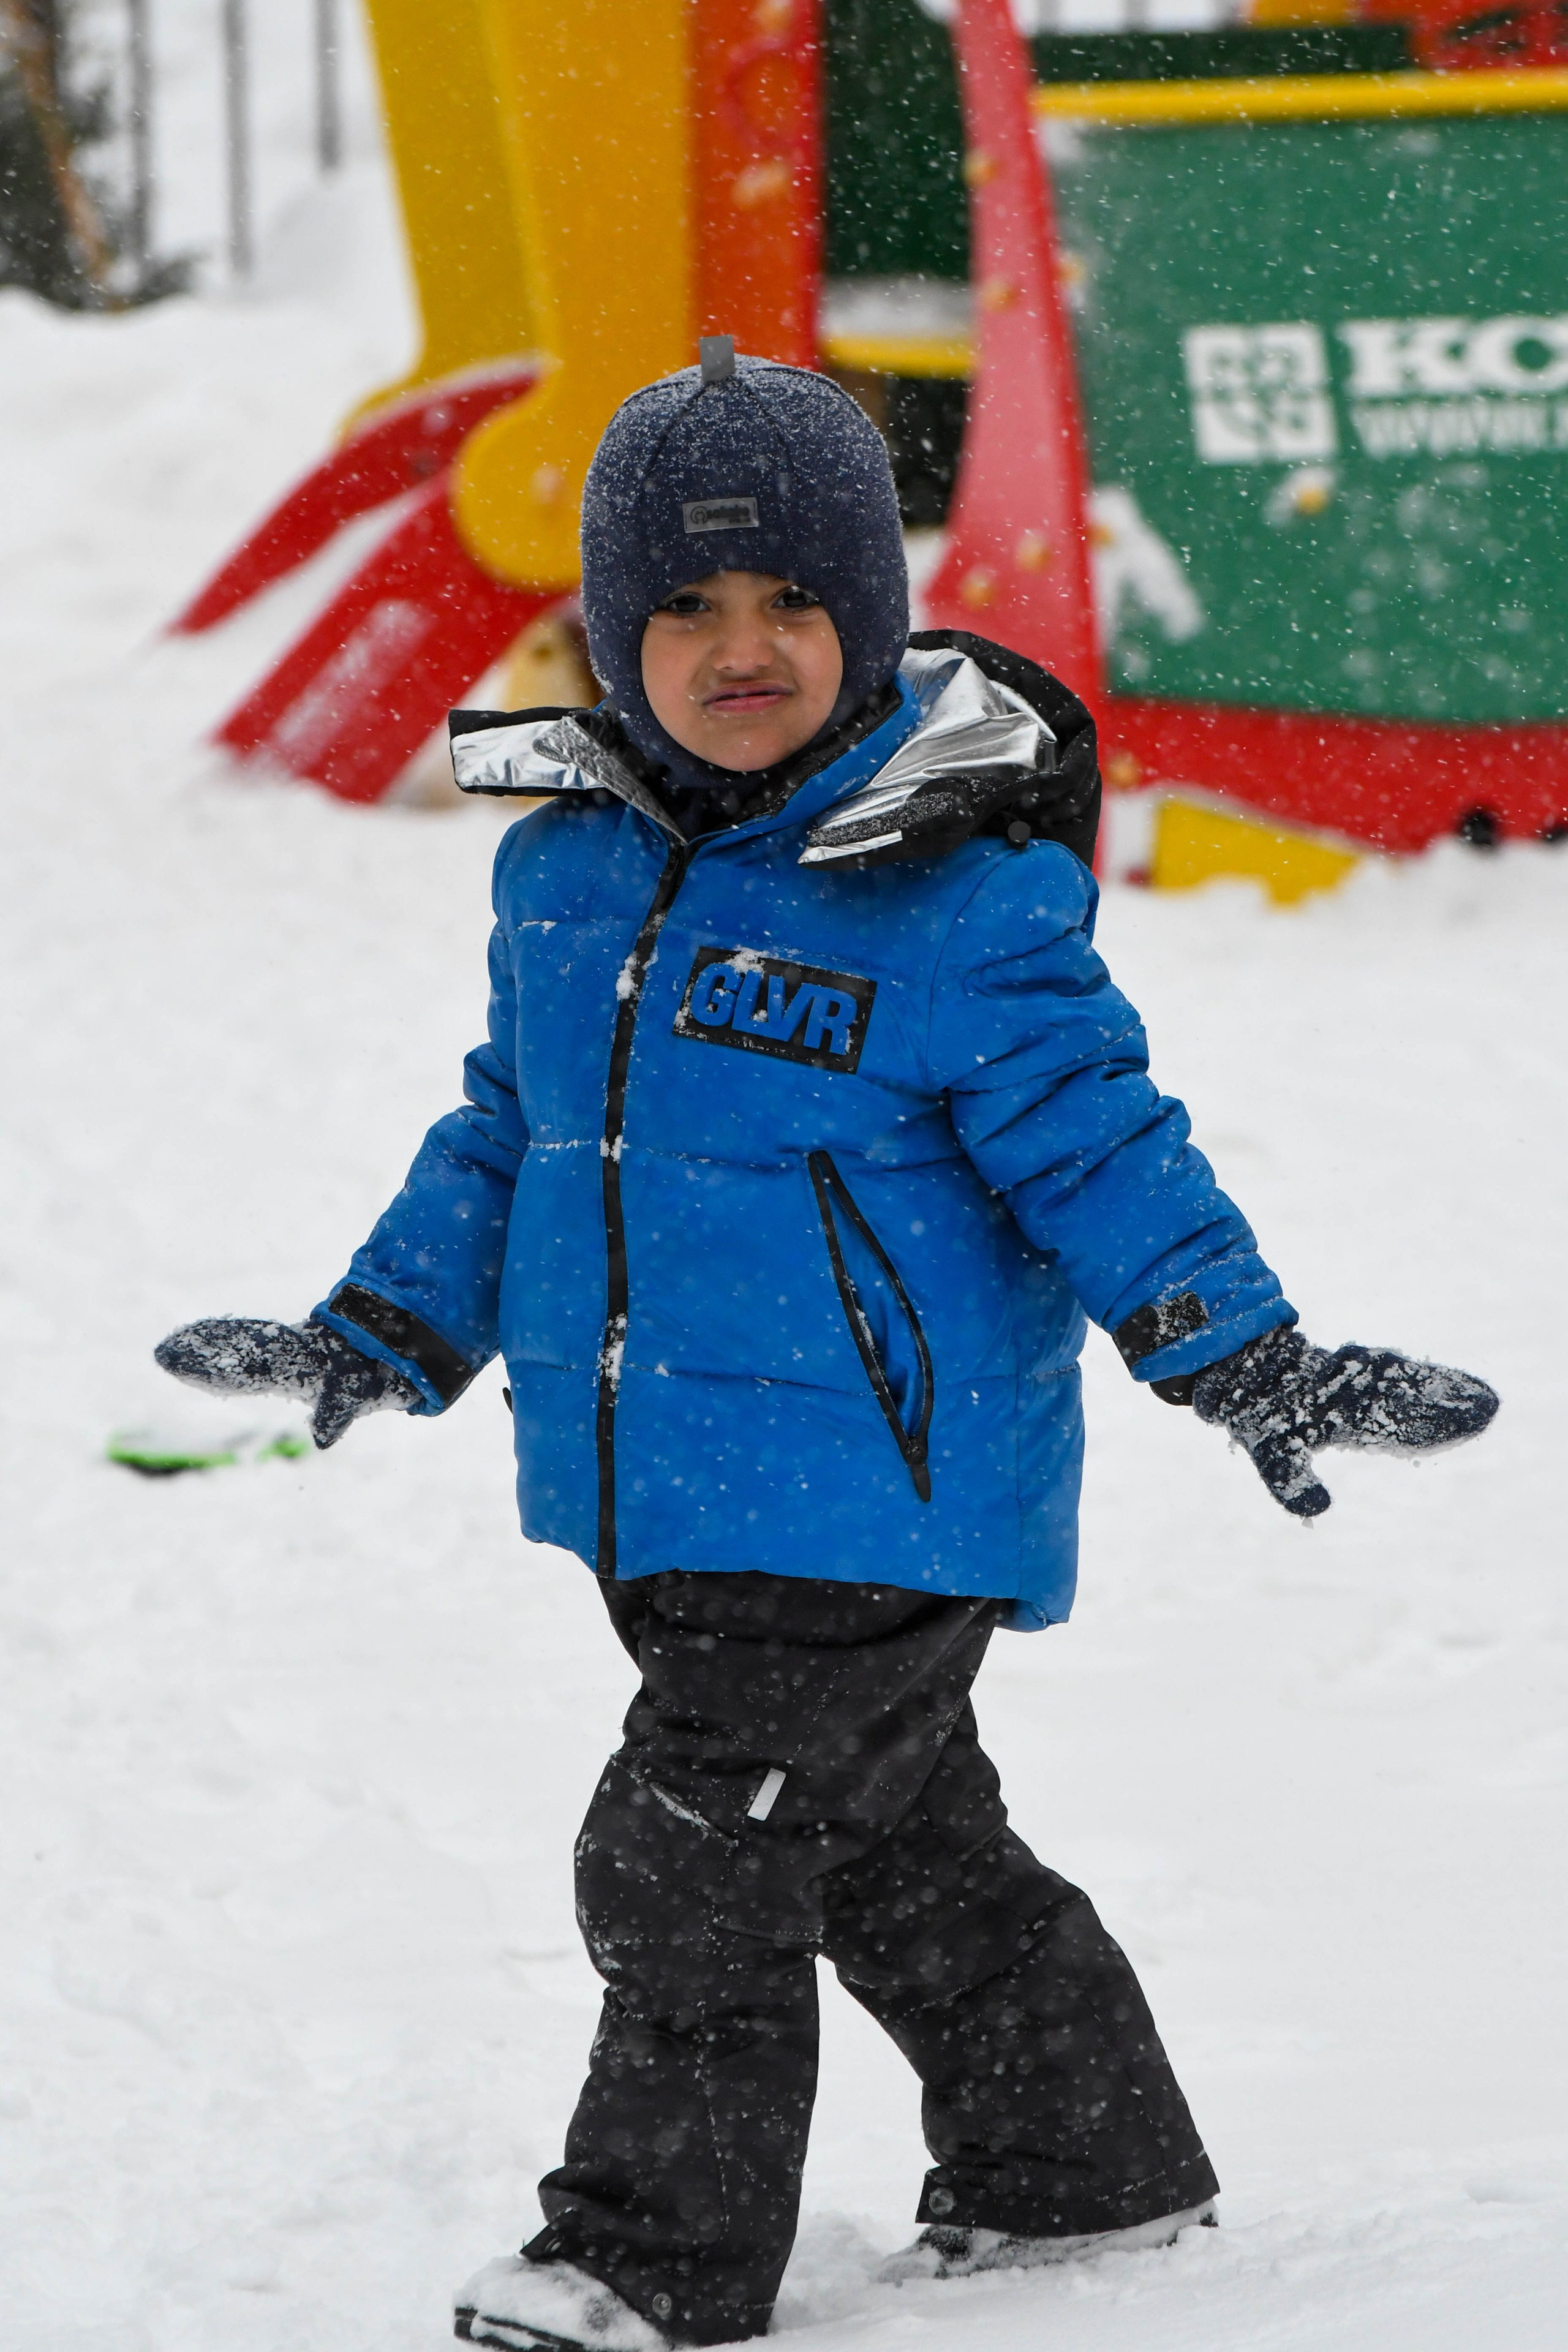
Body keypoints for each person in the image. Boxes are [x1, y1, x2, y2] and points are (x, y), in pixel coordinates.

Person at [156, 343, 1498, 2352]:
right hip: (670, 1483)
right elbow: (516, 1133)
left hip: (878, 1489)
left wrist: (1246, 1356)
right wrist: (382, 1327)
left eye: (794, 600)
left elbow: (1100, 1150)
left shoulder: (953, 900)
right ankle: (1081, 2171)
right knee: (899, 1851)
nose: (741, 645)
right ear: (611, 635)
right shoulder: (566, 872)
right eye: (683, 607)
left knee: (688, 1858)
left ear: (871, 618)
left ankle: (646, 2260)